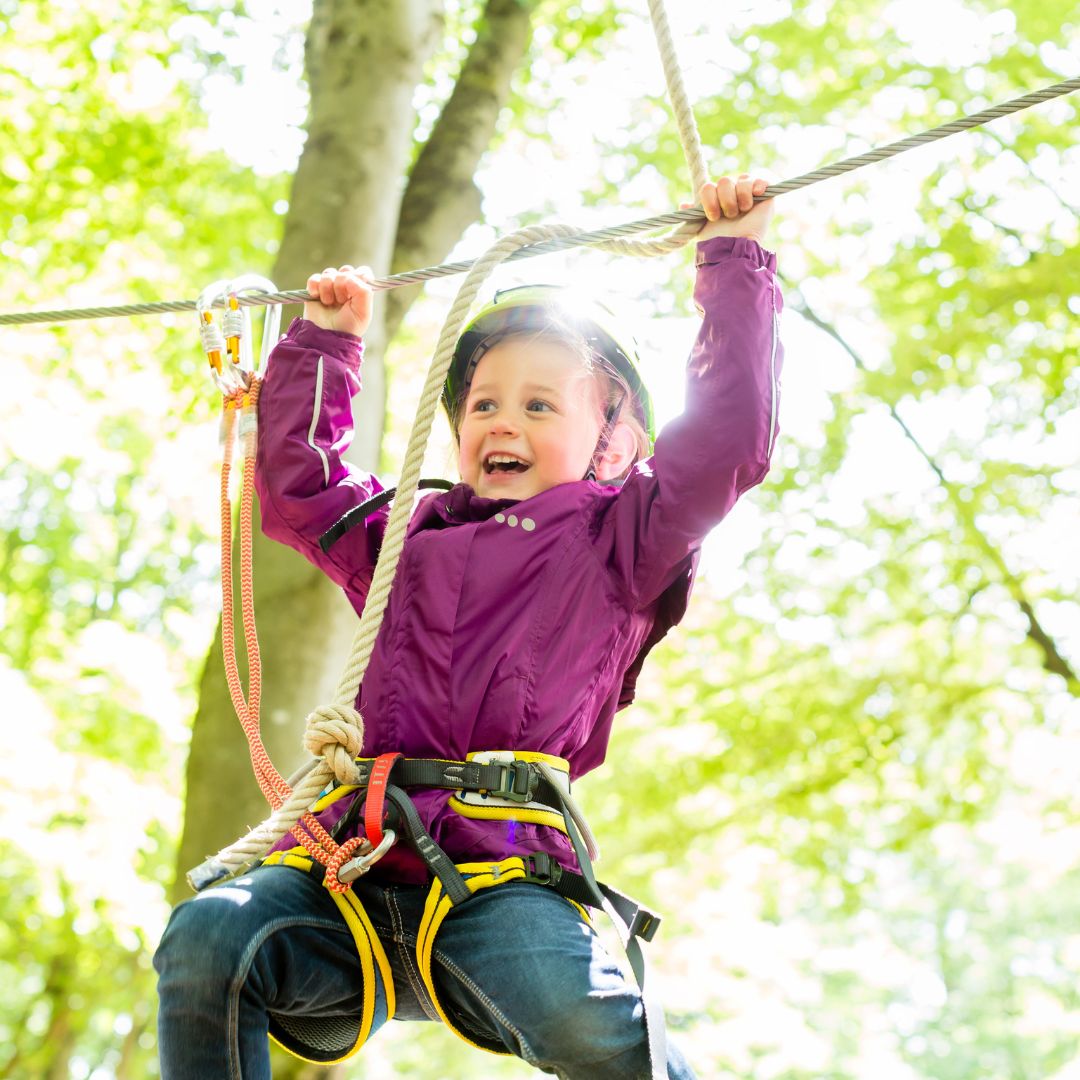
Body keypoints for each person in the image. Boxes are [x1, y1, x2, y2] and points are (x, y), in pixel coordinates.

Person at [154, 173, 781, 1079]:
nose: (503, 423)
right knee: (209, 936)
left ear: (611, 444)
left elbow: (729, 439)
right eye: (484, 403)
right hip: (351, 866)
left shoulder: (620, 539)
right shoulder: (402, 535)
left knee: (594, 1027)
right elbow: (299, 489)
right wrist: (328, 346)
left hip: (501, 877)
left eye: (539, 404)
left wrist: (737, 260)